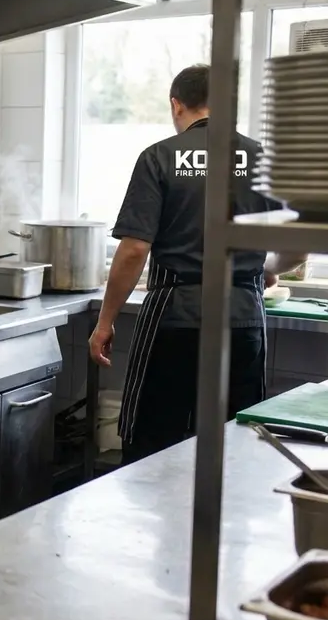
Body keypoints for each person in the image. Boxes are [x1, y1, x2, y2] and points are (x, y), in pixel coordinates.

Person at [88, 64, 306, 464]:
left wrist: (105, 323)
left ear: (177, 105)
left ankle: (155, 525)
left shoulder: (159, 157)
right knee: (234, 442)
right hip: (242, 318)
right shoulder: (261, 158)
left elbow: (135, 250)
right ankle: (222, 526)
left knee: (153, 439)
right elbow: (296, 250)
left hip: (175, 317)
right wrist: (262, 268)